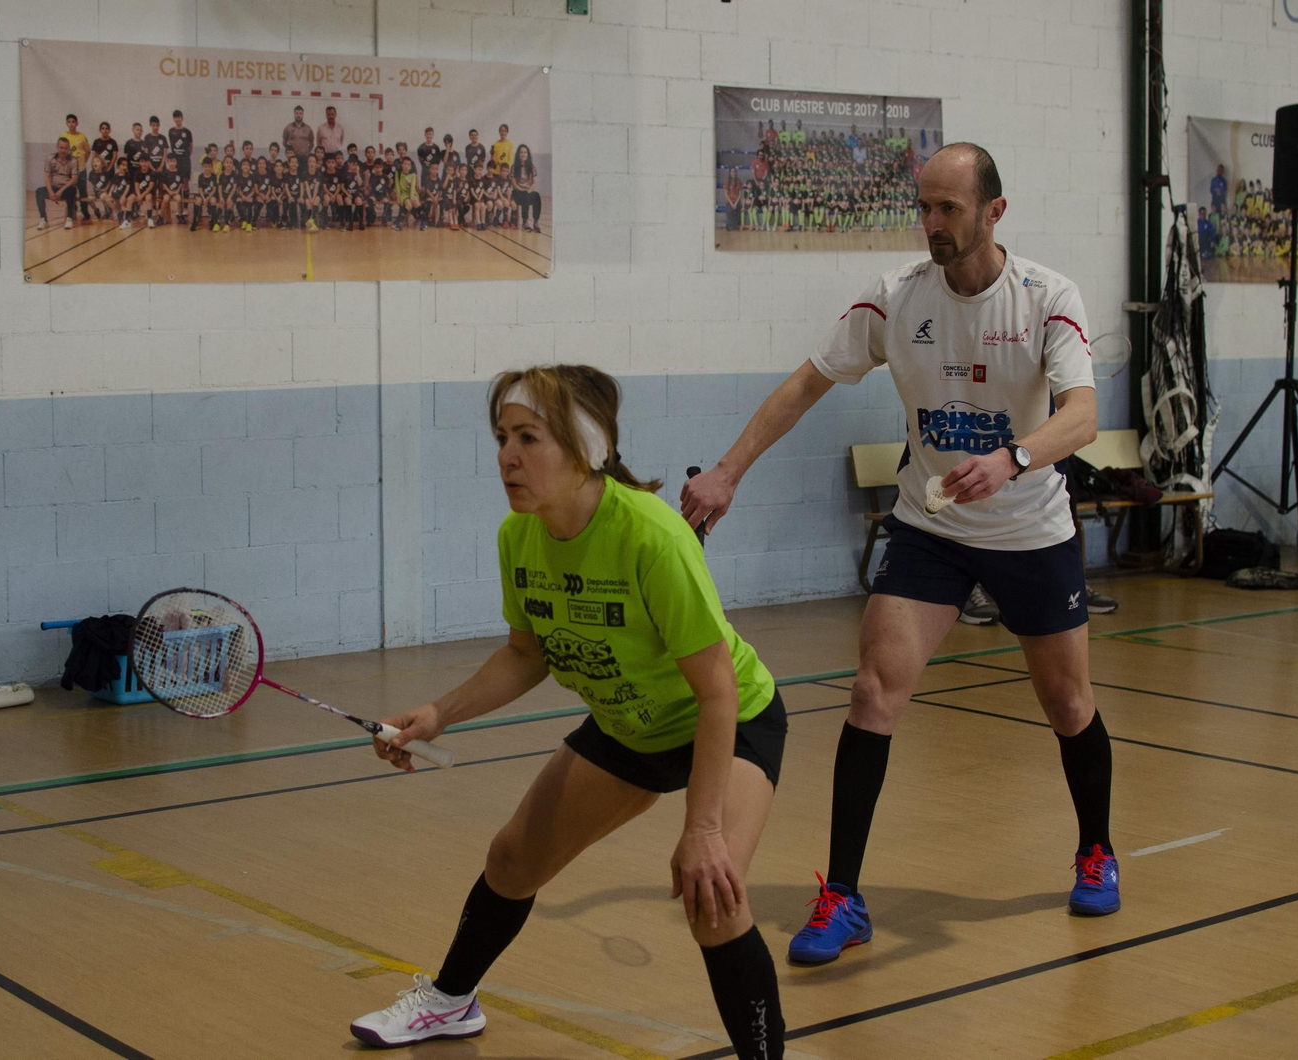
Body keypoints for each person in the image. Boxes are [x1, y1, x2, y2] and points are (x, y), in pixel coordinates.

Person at [681, 143, 1121, 968]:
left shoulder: (1046, 298)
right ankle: (843, 895)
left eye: (949, 209)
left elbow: (1084, 416)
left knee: (1067, 705)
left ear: (994, 212)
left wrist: (1014, 459)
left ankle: (1095, 848)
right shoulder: (896, 300)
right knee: (873, 691)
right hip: (933, 525)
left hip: (1029, 528)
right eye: (924, 207)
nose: (931, 225)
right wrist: (731, 471)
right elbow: (807, 383)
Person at [349, 366, 787, 1058]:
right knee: (513, 857)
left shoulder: (653, 538)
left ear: (587, 447)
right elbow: (528, 655)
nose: (507, 457)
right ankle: (449, 1001)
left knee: (714, 898)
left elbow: (716, 692)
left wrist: (702, 828)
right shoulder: (518, 539)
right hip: (625, 726)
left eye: (528, 437)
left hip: (723, 723)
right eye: (501, 438)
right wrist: (440, 712)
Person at [35, 137, 80, 230]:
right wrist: (50, 192)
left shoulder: (73, 160)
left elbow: (74, 179)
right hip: (54, 187)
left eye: (66, 148)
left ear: (69, 148)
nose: (63, 150)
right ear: (57, 147)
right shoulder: (50, 159)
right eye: (61, 148)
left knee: (72, 190)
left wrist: (60, 191)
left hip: (66, 188)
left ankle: (69, 219)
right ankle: (43, 219)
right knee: (39, 192)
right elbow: (47, 177)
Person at [61, 114, 92, 221]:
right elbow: (61, 153)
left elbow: (88, 151)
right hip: (69, 170)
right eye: (69, 122)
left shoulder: (82, 136)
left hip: (81, 169)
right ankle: (72, 209)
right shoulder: (63, 136)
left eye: (73, 122)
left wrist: (83, 162)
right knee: (70, 190)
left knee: (83, 192)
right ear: (66, 123)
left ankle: (85, 211)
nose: (71, 124)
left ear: (77, 123)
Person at [511, 144, 541, 233]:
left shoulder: (531, 167)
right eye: (521, 152)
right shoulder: (514, 166)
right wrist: (522, 190)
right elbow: (513, 183)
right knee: (525, 196)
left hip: (527, 191)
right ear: (518, 154)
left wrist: (529, 190)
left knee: (536, 196)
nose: (523, 154)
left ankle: (536, 221)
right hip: (517, 192)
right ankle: (525, 222)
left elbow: (534, 183)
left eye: (525, 152)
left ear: (527, 155)